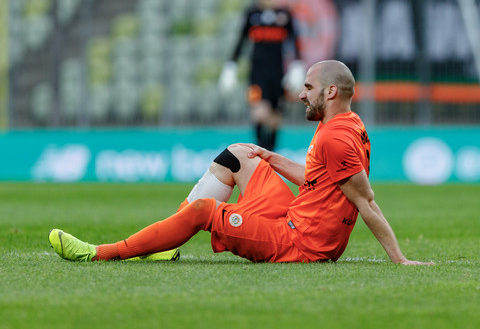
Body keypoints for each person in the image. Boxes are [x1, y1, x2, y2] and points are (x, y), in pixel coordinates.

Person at [49, 60, 433, 265]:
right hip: (296, 219)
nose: (300, 95)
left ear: (331, 91)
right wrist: (270, 158)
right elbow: (317, 181)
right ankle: (167, 242)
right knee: (239, 154)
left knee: (203, 210)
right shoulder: (345, 124)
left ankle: (101, 252)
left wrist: (399, 259)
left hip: (299, 244)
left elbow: (365, 201)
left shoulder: (334, 136)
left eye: (309, 88)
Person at [218, 0, 305, 151]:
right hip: (257, 75)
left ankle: (270, 157)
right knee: (259, 113)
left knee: (274, 120)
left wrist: (297, 65)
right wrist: (231, 66)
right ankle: (260, 155)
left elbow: (295, 43)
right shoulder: (251, 15)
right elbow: (240, 43)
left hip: (278, 75)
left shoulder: (285, 16)